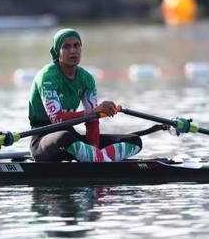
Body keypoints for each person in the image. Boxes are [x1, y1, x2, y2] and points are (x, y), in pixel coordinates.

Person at [28, 28, 142, 162]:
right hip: (44, 140)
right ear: (57, 51)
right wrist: (93, 111)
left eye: (76, 45)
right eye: (66, 47)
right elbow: (57, 120)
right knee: (64, 137)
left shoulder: (86, 79)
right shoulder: (47, 76)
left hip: (71, 139)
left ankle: (94, 158)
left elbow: (93, 120)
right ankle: (101, 161)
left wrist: (93, 146)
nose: (73, 51)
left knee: (134, 141)